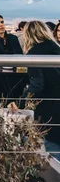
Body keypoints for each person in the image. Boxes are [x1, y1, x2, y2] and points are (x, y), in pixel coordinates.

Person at [19, 21, 60, 157]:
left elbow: (37, 84)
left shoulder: (34, 54)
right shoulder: (56, 48)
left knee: (51, 144)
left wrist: (23, 100)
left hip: (48, 104)